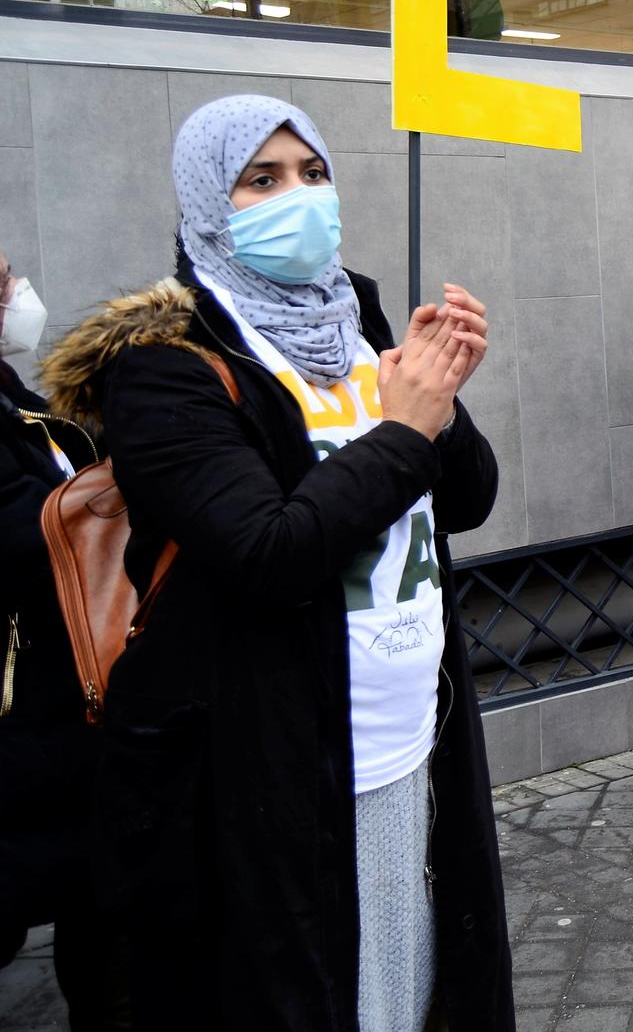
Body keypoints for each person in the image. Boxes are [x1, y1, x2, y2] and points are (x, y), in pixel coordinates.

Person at [40, 96, 510, 1029]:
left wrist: (438, 403)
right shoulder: (165, 365)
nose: (300, 196)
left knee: (419, 985)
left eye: (313, 172)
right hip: (273, 769)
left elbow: (465, 503)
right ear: (211, 204)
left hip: (415, 740)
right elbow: (266, 552)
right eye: (263, 179)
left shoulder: (355, 316)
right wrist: (403, 426)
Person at [0, 248, 127, 1030]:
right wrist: (129, 479)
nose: (18, 294)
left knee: (103, 908)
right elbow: (21, 533)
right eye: (2, 282)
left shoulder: (17, 397)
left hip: (67, 711)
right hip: (21, 725)